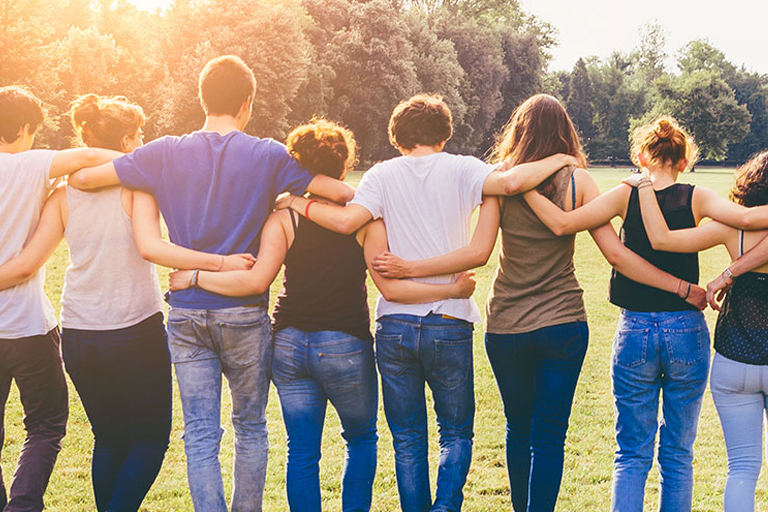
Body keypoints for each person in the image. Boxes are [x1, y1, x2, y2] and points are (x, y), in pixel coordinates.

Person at [372, 95, 706, 512]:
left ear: (519, 131)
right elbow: (616, 255)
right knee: (550, 435)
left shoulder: (500, 179)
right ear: (565, 132)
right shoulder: (578, 181)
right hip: (563, 321)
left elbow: (482, 248)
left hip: (507, 323)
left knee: (518, 428)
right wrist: (679, 286)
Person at [274, 94, 593, 512]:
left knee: (408, 438)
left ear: (396, 135)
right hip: (450, 320)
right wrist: (561, 160)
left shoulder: (381, 175)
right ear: (445, 132)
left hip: (395, 325)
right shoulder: (464, 169)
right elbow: (510, 186)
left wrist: (297, 200)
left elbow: (349, 221)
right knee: (456, 433)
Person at [67, 55, 353, 512]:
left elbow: (82, 177)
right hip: (243, 311)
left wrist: (125, 155)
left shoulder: (162, 152)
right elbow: (341, 193)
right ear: (247, 103)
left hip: (185, 309)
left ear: (202, 98)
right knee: (250, 427)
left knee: (200, 431)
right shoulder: (267, 154)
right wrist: (286, 197)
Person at [169, 118, 477, 512]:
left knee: (301, 450)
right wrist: (451, 289)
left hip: (289, 343)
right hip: (345, 343)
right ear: (344, 164)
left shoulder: (283, 218)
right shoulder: (365, 218)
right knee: (362, 438)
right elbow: (388, 280)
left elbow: (259, 277)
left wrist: (195, 276)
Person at [0, 93, 255, 511]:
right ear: (123, 143)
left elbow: (28, 261)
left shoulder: (62, 194)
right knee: (151, 439)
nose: (142, 144)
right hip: (133, 331)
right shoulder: (138, 187)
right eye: (138, 137)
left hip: (79, 334)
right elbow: (153, 247)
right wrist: (220, 262)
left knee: (110, 438)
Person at [523, 115, 711, 512]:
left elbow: (563, 224)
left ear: (642, 155)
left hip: (636, 329)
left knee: (631, 454)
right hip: (686, 329)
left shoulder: (625, 194)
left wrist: (521, 188)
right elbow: (743, 221)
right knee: (678, 454)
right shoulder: (697, 196)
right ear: (684, 160)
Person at [0, 86, 125, 512]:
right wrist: (148, 162)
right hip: (28, 327)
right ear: (24, 128)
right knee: (47, 424)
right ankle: (23, 505)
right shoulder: (29, 164)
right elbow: (92, 156)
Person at [623, 150, 768, 512]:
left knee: (742, 470)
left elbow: (662, 239)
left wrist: (643, 183)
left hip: (734, 359)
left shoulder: (727, 228)